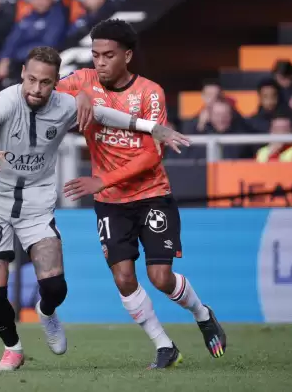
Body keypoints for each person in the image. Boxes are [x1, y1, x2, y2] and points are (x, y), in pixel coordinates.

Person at [0, 46, 188, 371]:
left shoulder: (65, 105)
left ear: (55, 82)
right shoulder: (6, 102)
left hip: (35, 203)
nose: (36, 89)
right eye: (31, 80)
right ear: (23, 73)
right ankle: (13, 348)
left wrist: (151, 128)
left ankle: (46, 312)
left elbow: (106, 115)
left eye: (45, 83)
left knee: (55, 287)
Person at [58, 19, 226, 369]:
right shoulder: (83, 80)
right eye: (95, 55)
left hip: (152, 195)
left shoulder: (150, 92)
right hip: (111, 205)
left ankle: (202, 313)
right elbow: (49, 91)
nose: (100, 62)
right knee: (123, 278)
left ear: (127, 56)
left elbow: (152, 155)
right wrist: (81, 94)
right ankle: (165, 346)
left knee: (160, 278)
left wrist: (103, 180)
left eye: (108, 55)